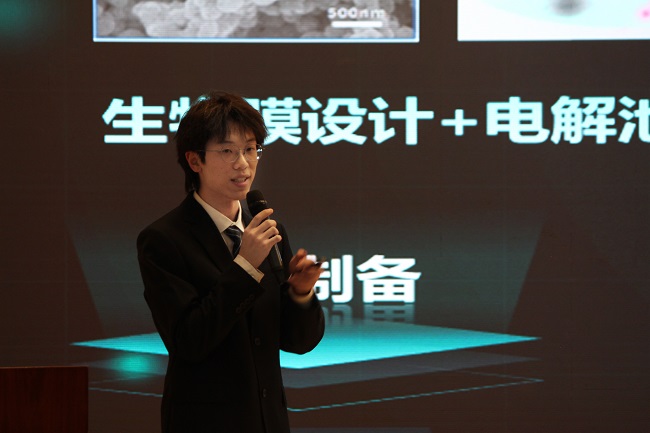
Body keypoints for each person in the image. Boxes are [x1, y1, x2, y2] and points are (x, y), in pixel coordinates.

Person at [136, 91, 325, 433]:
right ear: (195, 161)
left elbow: (298, 342)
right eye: (227, 151)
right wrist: (245, 267)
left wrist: (300, 294)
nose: (243, 163)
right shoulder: (164, 239)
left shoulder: (268, 231)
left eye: (251, 149)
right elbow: (189, 341)